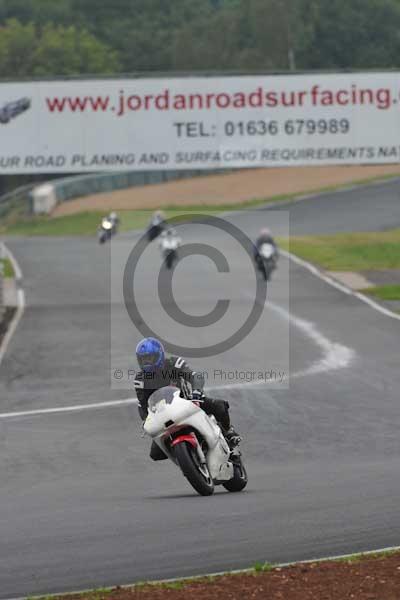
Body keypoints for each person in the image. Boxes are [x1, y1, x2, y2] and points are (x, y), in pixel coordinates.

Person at [134, 337, 241, 461]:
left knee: (220, 406)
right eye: (143, 360)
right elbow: (142, 404)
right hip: (164, 415)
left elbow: (195, 377)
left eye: (150, 358)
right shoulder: (140, 380)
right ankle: (187, 458)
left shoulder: (173, 364)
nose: (147, 363)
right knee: (155, 454)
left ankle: (229, 432)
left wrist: (197, 392)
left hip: (189, 402)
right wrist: (146, 420)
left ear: (160, 355)